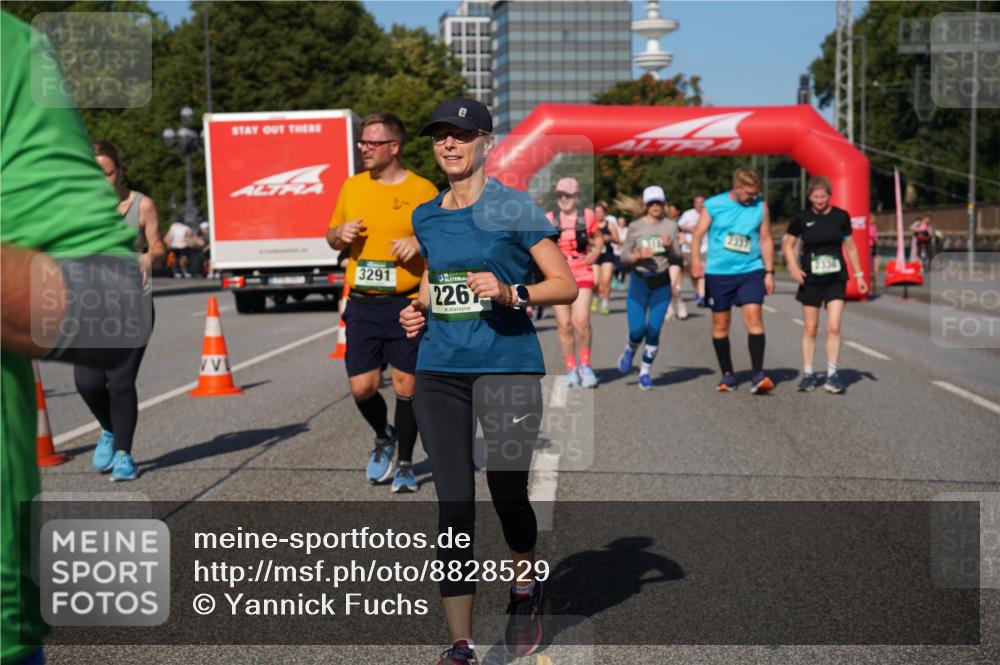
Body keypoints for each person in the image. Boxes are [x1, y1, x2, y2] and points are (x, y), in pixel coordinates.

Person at [399, 97, 576, 664]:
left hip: (507, 366)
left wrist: (510, 292)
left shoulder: (515, 207)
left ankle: (525, 582)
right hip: (440, 370)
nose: (448, 144)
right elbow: (437, 281)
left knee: (506, 495)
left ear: (486, 142)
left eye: (461, 134)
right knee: (454, 504)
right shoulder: (426, 215)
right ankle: (460, 642)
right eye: (439, 136)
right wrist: (416, 307)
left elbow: (564, 283)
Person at [1, 12, 147, 664]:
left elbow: (110, 298)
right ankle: (112, 436)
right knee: (94, 386)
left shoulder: (11, 53)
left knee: (112, 377)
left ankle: (122, 446)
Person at [327, 112, 438, 493]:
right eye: (361, 143)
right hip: (362, 302)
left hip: (406, 303)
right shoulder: (352, 186)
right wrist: (338, 234)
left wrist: (420, 244)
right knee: (362, 387)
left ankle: (405, 464)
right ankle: (383, 434)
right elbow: (330, 235)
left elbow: (444, 242)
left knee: (408, 385)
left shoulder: (424, 191)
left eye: (371, 144)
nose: (363, 150)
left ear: (394, 147)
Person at [75, 141, 166, 481]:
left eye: (108, 173)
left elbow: (158, 245)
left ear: (120, 170)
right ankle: (109, 430)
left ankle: (125, 455)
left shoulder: (142, 206)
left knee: (121, 381)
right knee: (87, 382)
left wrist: (149, 255)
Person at [691, 167, 775, 394]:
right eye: (749, 193)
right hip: (719, 273)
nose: (754, 197)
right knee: (721, 324)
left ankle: (758, 374)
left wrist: (769, 272)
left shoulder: (761, 206)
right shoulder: (714, 205)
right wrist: (696, 262)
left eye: (756, 193)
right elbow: (698, 235)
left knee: (754, 318)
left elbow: (766, 239)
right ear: (737, 188)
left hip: (751, 270)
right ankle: (727, 374)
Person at [782, 176, 868, 394]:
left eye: (823, 196)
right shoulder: (802, 218)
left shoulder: (841, 216)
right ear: (809, 196)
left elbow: (850, 247)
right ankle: (809, 374)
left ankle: (832, 374)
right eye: (815, 196)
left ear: (830, 196)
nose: (819, 200)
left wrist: (859, 275)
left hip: (835, 278)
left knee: (834, 327)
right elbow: (788, 245)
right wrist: (793, 267)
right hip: (810, 279)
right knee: (810, 328)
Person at [616, 186, 678, 390]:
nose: (655, 207)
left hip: (661, 284)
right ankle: (630, 349)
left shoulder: (671, 226)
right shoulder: (635, 227)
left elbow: (679, 258)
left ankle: (645, 371)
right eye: (651, 203)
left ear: (663, 204)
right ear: (645, 206)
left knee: (653, 330)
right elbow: (624, 257)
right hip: (639, 283)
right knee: (636, 331)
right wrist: (637, 256)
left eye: (658, 202)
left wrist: (670, 248)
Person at [546, 177, 603, 388]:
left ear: (576, 196)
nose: (564, 199)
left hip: (582, 271)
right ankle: (571, 368)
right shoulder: (550, 218)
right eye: (561, 194)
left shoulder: (587, 216)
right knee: (564, 325)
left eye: (568, 194)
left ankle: (585, 366)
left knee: (581, 321)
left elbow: (599, 239)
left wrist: (595, 254)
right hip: (559, 276)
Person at [590, 200, 619, 315]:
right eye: (596, 212)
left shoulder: (610, 224)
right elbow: (585, 239)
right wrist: (594, 241)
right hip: (595, 255)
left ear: (605, 213)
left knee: (606, 281)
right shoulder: (591, 225)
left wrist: (609, 238)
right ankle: (596, 297)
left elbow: (618, 240)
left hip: (607, 255)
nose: (598, 214)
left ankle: (605, 303)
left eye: (600, 212)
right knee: (595, 281)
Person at [678, 195, 707, 306]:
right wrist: (689, 229)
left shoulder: (709, 213)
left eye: (702, 202)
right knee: (693, 273)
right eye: (698, 202)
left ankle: (702, 296)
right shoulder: (688, 214)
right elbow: (678, 227)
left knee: (702, 273)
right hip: (688, 248)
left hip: (704, 247)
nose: (700, 205)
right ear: (694, 204)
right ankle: (697, 291)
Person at [663, 202, 688, 321]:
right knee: (664, 285)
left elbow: (683, 240)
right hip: (661, 258)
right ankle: (670, 308)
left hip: (674, 257)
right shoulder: (658, 225)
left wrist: (677, 241)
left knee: (672, 283)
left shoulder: (677, 226)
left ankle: (679, 303)